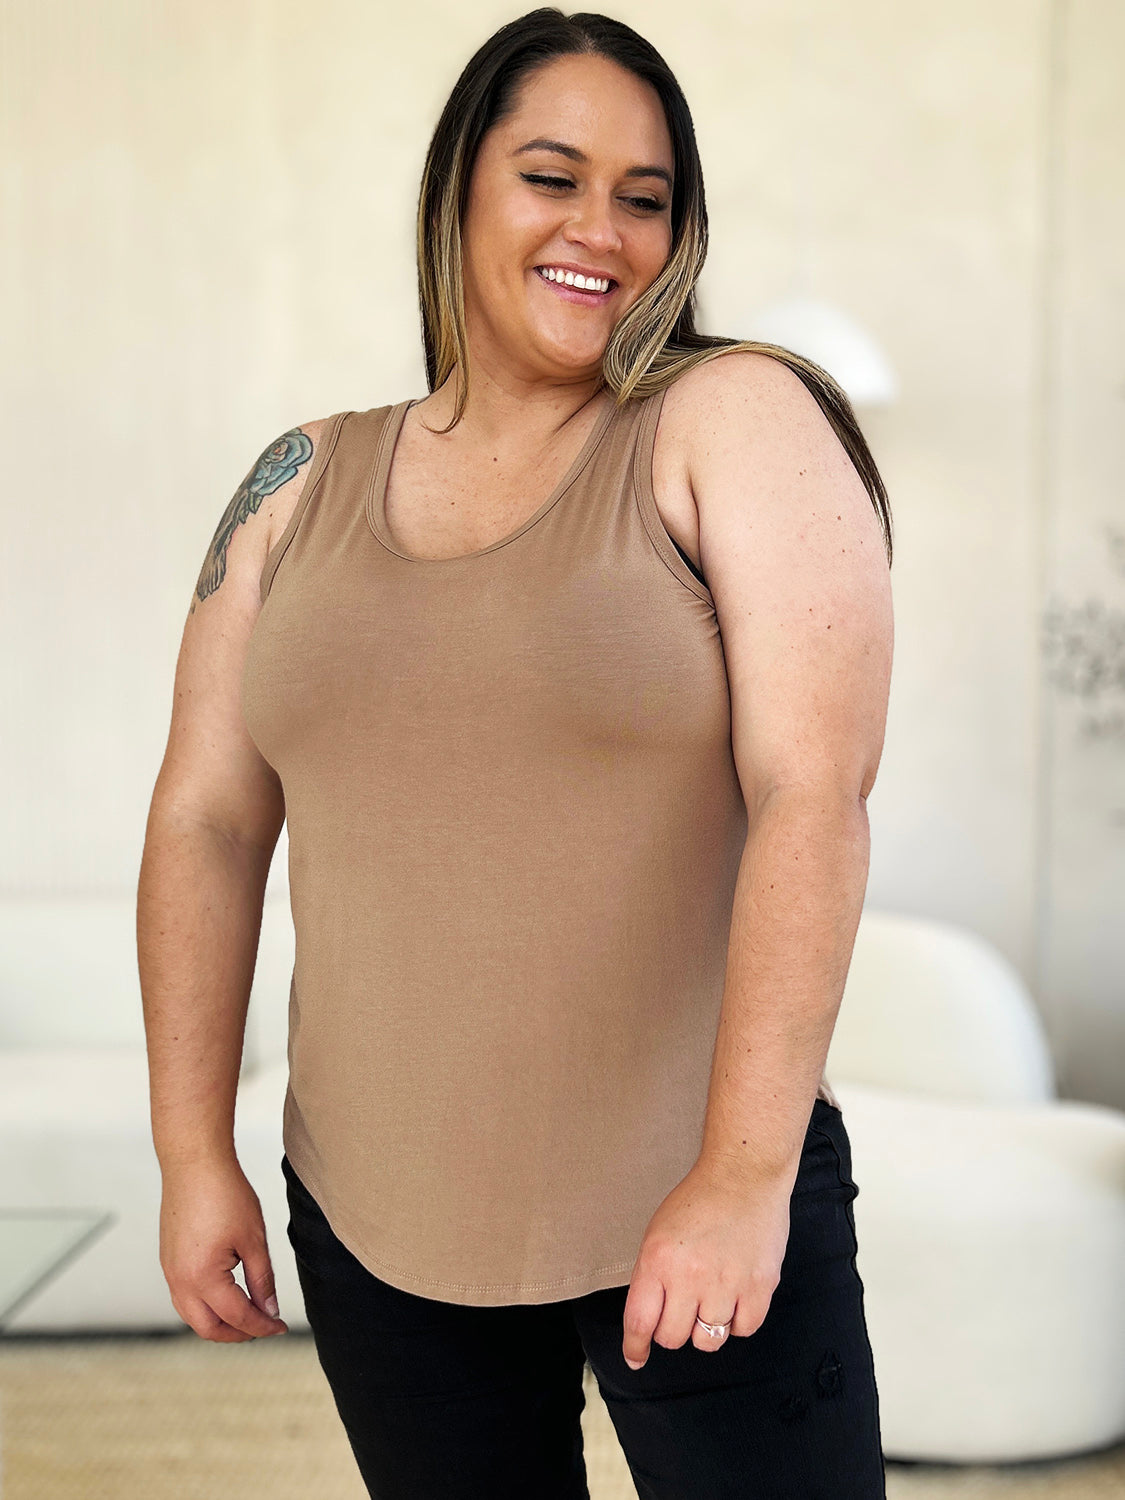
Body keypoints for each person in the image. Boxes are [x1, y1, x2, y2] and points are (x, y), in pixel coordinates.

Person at [137, 7, 894, 1497]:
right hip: (375, 1221)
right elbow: (208, 819)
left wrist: (742, 1178)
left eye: (644, 195)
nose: (599, 230)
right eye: (552, 176)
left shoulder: (729, 418)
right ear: (458, 192)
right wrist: (190, 1150)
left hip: (690, 1210)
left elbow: (813, 791)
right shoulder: (297, 480)